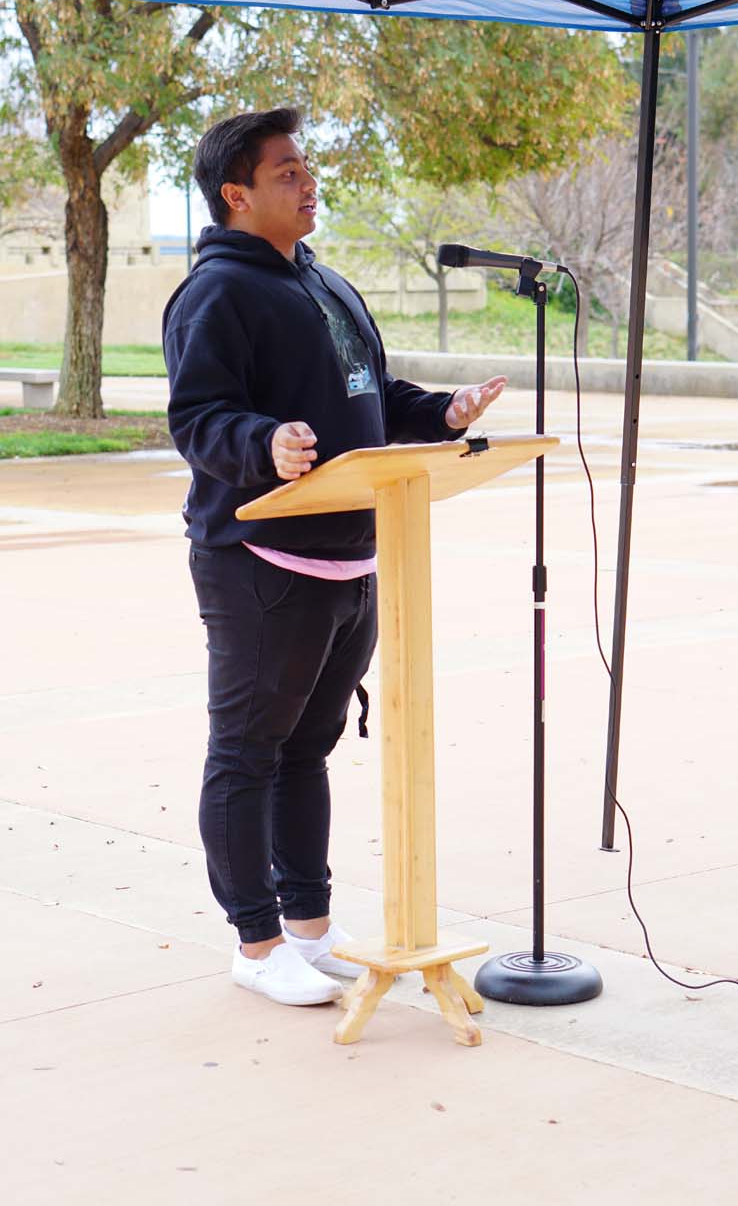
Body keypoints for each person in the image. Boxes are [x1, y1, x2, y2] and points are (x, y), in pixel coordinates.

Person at [163, 108, 506, 1007]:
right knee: (246, 751)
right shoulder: (216, 294)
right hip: (260, 561)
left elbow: (369, 397)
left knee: (306, 750)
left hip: (353, 556)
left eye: (307, 167)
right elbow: (198, 418)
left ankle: (309, 928)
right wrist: (263, 441)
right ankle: (255, 939)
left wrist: (444, 413)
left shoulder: (322, 282)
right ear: (236, 194)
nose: (309, 183)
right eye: (287, 172)